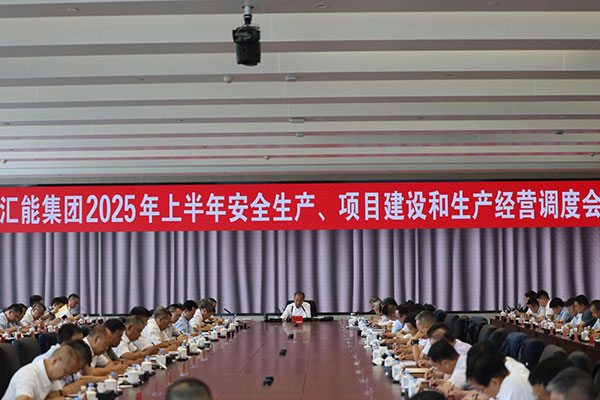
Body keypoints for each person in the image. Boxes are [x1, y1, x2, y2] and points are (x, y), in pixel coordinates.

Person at [1, 345, 80, 400]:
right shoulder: (28, 374)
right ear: (55, 361)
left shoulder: (53, 375)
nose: (65, 377)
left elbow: (56, 396)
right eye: (65, 372)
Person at [466, 342, 534, 400]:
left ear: (494, 382)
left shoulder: (513, 387)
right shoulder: (504, 380)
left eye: (481, 390)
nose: (481, 394)